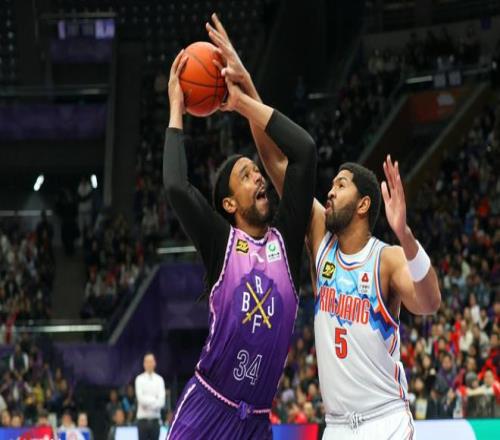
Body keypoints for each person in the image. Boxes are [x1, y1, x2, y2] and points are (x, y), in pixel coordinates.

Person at [205, 15, 441, 439]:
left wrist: (405, 236)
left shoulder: (386, 259)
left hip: (385, 419)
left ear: (364, 204)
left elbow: (429, 302)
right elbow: (276, 161)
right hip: (336, 426)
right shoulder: (321, 239)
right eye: (332, 185)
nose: (330, 191)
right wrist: (246, 86)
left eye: (341, 185)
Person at [163, 33, 316, 439]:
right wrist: (176, 107)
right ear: (229, 204)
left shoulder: (286, 244)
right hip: (207, 410)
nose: (259, 177)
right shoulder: (222, 243)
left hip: (257, 421)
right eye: (246, 176)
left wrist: (243, 101)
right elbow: (177, 187)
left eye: (257, 171)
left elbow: (304, 151)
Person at [135, 353, 165, 440]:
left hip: (155, 421)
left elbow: (162, 402)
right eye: (147, 362)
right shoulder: (139, 379)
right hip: (142, 421)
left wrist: (147, 401)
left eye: (151, 361)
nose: (149, 364)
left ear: (155, 363)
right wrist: (154, 399)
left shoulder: (160, 380)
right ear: (144, 364)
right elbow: (141, 400)